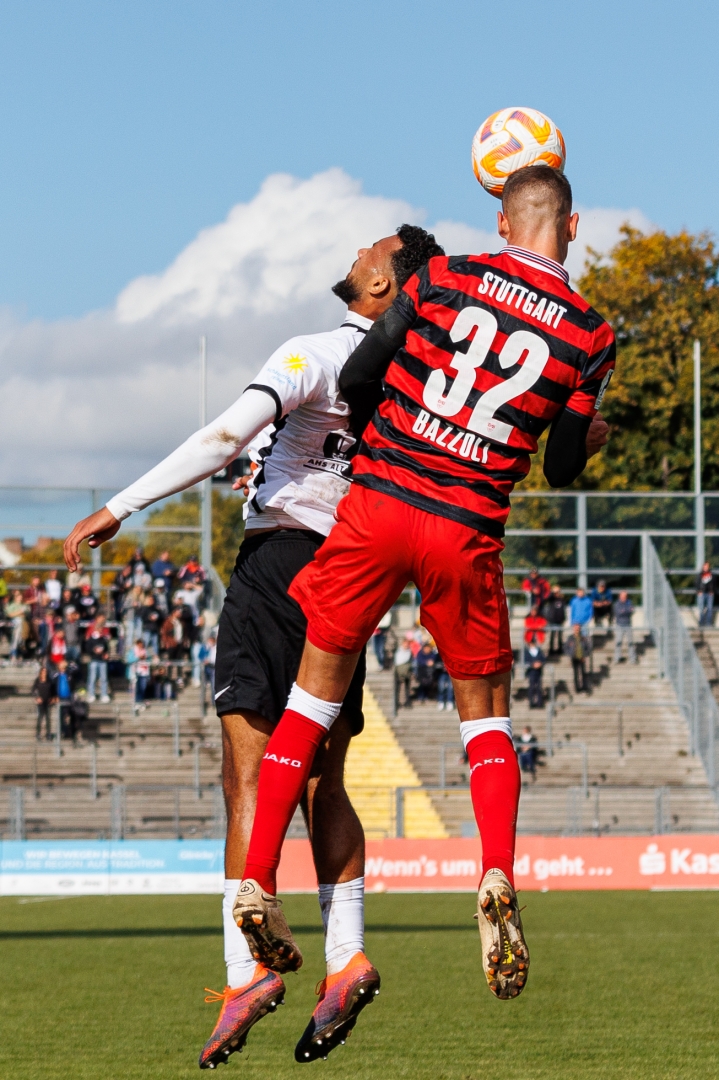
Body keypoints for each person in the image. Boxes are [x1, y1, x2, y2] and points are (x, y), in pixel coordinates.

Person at [228, 166, 614, 1006]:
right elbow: (558, 464)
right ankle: (495, 873)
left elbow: (358, 379)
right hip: (465, 527)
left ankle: (257, 880)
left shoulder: (442, 276)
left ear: (501, 221)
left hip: (378, 506)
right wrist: (585, 437)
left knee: (309, 703)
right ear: (572, 226)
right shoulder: (590, 333)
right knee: (487, 721)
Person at [63, 224, 444, 1066]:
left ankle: (246, 972)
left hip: (278, 564)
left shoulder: (315, 352)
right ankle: (345, 957)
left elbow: (224, 437)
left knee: (245, 774)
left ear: (385, 284)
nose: (356, 251)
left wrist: (120, 506)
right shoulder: (418, 384)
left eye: (370, 250)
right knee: (322, 779)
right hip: (352, 574)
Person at [85, 615, 111, 703]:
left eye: (101, 630)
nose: (100, 631)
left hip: (102, 661)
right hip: (94, 660)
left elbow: (106, 648)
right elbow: (87, 649)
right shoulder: (91, 639)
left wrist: (106, 654)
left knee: (104, 679)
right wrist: (94, 651)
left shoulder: (103, 639)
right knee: (92, 678)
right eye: (99, 629)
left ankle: (104, 694)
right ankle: (91, 694)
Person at [542, 584, 566, 655]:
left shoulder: (562, 599)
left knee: (560, 636)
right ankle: (551, 649)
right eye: (556, 592)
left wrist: (563, 618)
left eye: (558, 592)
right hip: (552, 620)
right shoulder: (552, 599)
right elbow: (546, 598)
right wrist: (552, 592)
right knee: (552, 636)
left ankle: (560, 649)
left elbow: (563, 610)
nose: (557, 594)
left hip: (560, 620)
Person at [565, 624, 589, 693]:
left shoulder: (583, 638)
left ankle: (584, 686)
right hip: (574, 657)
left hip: (581, 657)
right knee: (576, 673)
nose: (577, 630)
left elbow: (588, 647)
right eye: (575, 628)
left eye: (578, 628)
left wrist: (585, 655)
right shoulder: (570, 638)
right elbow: (566, 647)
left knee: (583, 672)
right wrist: (570, 654)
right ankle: (577, 688)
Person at [613, 591, 637, 663]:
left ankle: (632, 658)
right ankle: (617, 658)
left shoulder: (629, 602)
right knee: (618, 642)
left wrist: (625, 611)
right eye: (623, 596)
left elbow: (632, 610)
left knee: (630, 642)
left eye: (625, 596)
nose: (624, 598)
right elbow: (619, 613)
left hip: (628, 624)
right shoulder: (617, 604)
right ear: (620, 596)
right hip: (619, 625)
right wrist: (627, 610)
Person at [6, 590, 29, 662]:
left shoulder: (24, 605)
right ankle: (15, 654)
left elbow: (25, 614)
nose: (20, 598)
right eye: (18, 597)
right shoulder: (11, 605)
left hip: (23, 624)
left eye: (21, 596)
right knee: (18, 624)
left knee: (18, 636)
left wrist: (16, 613)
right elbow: (10, 614)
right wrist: (20, 612)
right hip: (15, 623)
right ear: (15, 597)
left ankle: (15, 654)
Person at [523, 636, 546, 709]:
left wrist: (540, 663)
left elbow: (543, 659)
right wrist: (532, 664)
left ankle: (539, 703)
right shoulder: (527, 652)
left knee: (539, 687)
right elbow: (526, 661)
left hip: (538, 672)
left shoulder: (539, 651)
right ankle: (531, 702)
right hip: (531, 672)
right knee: (531, 687)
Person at [393, 633, 415, 709]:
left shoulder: (409, 652)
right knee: (397, 688)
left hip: (407, 672)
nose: (406, 645)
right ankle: (396, 702)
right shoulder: (398, 652)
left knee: (407, 688)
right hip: (399, 671)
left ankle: (407, 702)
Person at [32, 665, 53, 740]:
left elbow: (53, 690)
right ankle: (38, 733)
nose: (44, 673)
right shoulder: (38, 680)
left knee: (48, 718)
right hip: (40, 703)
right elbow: (33, 690)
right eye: (43, 671)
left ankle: (48, 733)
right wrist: (37, 697)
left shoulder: (49, 680)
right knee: (40, 718)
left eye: (45, 672)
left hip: (48, 702)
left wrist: (53, 698)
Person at [696, 562, 715, 627]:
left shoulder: (711, 575)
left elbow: (714, 584)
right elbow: (697, 583)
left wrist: (712, 591)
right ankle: (701, 622)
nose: (705, 568)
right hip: (702, 593)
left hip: (710, 593)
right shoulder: (700, 575)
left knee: (710, 608)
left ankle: (709, 623)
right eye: (704, 566)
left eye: (707, 566)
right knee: (701, 608)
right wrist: (699, 591)